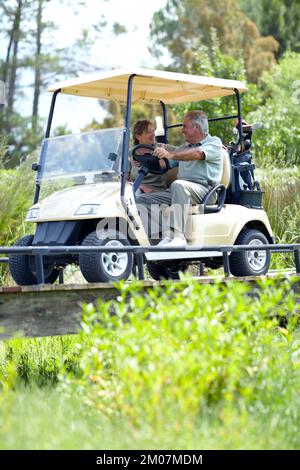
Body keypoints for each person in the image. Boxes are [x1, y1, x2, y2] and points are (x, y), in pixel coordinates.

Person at [136, 110, 223, 247]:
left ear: (196, 127)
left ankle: (178, 236)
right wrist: (145, 159)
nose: (182, 130)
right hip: (180, 191)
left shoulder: (214, 143)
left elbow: (198, 154)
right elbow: (165, 164)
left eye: (185, 126)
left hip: (205, 191)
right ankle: (161, 238)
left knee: (178, 185)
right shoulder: (184, 148)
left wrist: (170, 154)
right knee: (143, 200)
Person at [128, 119, 168, 194]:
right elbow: (124, 179)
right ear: (138, 136)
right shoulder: (131, 153)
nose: (153, 134)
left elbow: (180, 152)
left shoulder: (162, 148)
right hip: (136, 188)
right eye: (149, 132)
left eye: (153, 131)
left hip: (156, 191)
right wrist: (139, 186)